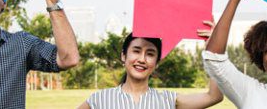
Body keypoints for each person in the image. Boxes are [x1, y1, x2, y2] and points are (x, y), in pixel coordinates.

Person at [77, 22, 223, 109]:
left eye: (150, 54)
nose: (142, 59)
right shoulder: (100, 99)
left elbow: (214, 96)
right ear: (124, 55)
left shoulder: (168, 100)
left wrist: (214, 47)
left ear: (157, 63)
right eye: (136, 51)